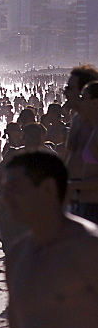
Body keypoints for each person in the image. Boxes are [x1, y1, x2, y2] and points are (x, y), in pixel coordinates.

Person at [4, 149, 98, 328]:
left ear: (48, 189)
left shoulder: (88, 247)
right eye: (5, 190)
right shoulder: (16, 255)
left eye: (15, 188)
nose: (6, 198)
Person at [66, 80, 98, 225]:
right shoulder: (92, 129)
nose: (80, 102)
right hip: (84, 205)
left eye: (84, 98)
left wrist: (74, 185)